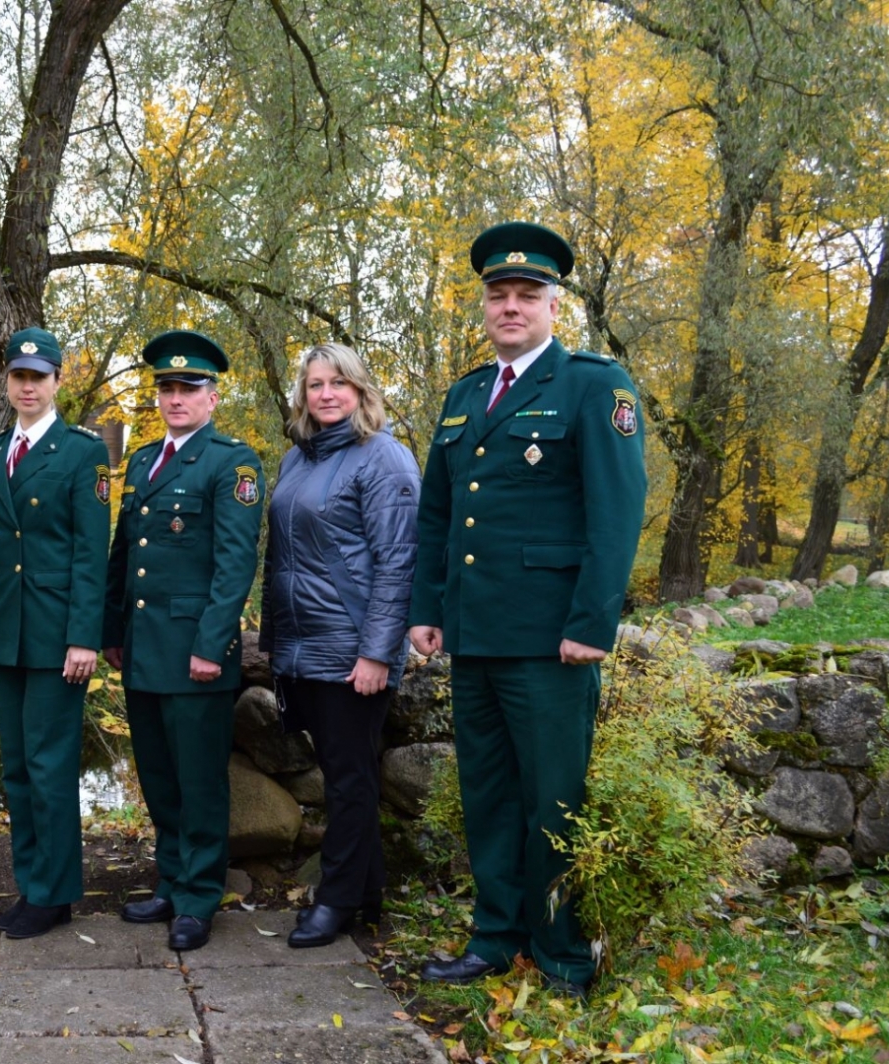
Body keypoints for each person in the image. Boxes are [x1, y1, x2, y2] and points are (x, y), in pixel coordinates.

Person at [406, 222, 647, 997]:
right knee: (488, 795)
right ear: (485, 306)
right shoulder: (466, 394)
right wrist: (427, 609)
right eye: (498, 296)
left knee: (555, 800)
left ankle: (564, 955)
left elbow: (616, 513)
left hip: (551, 641)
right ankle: (494, 937)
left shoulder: (591, 385)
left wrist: (590, 624)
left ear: (553, 306)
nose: (511, 308)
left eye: (527, 296)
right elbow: (438, 516)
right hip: (475, 634)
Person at [103, 329, 264, 951]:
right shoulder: (143, 460)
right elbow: (126, 554)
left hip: (195, 650)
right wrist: (111, 630)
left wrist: (210, 643)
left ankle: (200, 896)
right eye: (166, 388)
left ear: (211, 397)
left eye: (187, 389)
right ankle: (171, 880)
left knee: (199, 782)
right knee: (160, 776)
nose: (175, 399)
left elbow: (234, 563)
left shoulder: (233, 462)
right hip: (144, 647)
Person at [259, 342, 421, 948]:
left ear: (361, 391)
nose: (325, 394)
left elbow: (397, 562)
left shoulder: (385, 459)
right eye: (315, 384)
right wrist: (275, 643)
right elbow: (280, 561)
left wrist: (378, 653)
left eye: (339, 383)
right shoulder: (295, 461)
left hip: (354, 650)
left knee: (349, 781)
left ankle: (336, 901)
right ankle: (368, 896)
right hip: (304, 649)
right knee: (344, 774)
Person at [0, 327, 111, 940]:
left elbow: (89, 553)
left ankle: (53, 893)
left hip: (55, 634)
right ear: (7, 382)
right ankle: (33, 886)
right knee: (18, 768)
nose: (28, 386)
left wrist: (84, 637)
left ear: (56, 382)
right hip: (2, 631)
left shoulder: (81, 453)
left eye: (38, 376)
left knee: (50, 767)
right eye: (18, 376)